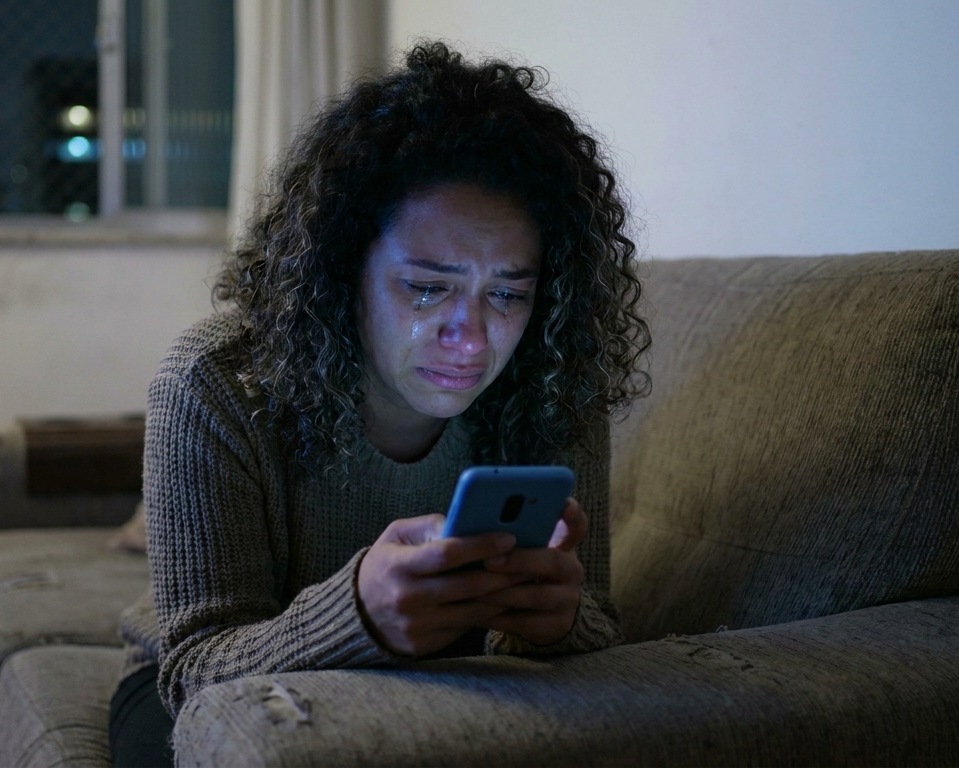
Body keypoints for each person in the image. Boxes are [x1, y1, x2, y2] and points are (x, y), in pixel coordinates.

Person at [109, 41, 649, 767]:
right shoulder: (216, 382)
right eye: (426, 288)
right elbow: (194, 669)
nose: (472, 337)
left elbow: (601, 628)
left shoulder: (554, 377)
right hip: (200, 696)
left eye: (507, 294)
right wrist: (356, 614)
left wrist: (558, 624)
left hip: (451, 687)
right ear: (342, 270)